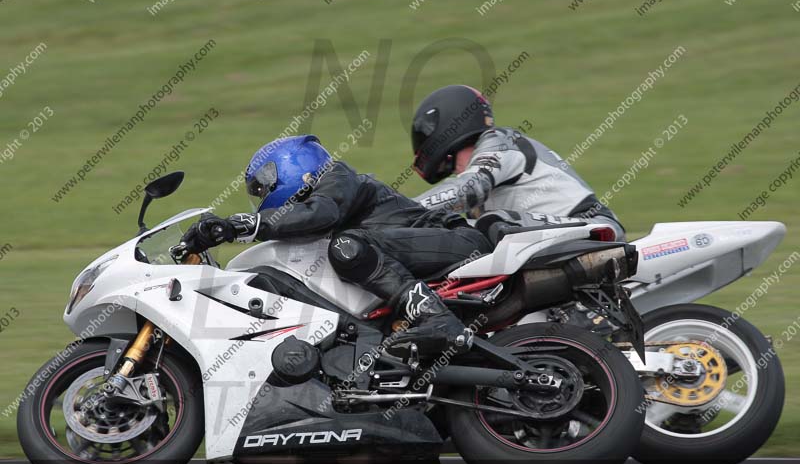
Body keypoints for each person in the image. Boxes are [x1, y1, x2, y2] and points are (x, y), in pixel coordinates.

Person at [180, 135, 492, 356]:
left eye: (264, 187)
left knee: (347, 247)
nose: (262, 199)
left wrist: (243, 225)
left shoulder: (337, 176)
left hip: (456, 241)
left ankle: (436, 319)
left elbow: (320, 212)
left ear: (293, 168)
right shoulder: (321, 206)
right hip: (430, 251)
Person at [411, 85, 626, 240]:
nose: (455, 172)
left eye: (449, 161)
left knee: (493, 224)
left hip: (596, 227)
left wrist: (399, 210)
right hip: (561, 238)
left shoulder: (500, 142)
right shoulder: (481, 203)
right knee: (462, 232)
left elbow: (466, 189)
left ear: (460, 135)